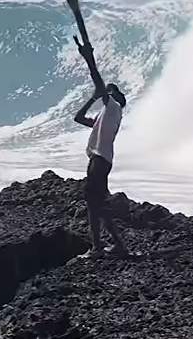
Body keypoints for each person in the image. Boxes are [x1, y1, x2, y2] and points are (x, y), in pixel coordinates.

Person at [72, 35, 130, 258]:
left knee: (92, 202)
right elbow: (78, 118)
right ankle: (117, 246)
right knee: (99, 205)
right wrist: (92, 98)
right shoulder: (104, 115)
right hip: (99, 160)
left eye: (109, 90)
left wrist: (89, 58)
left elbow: (97, 80)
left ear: (115, 96)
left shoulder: (114, 107)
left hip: (99, 160)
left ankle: (96, 248)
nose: (106, 91)